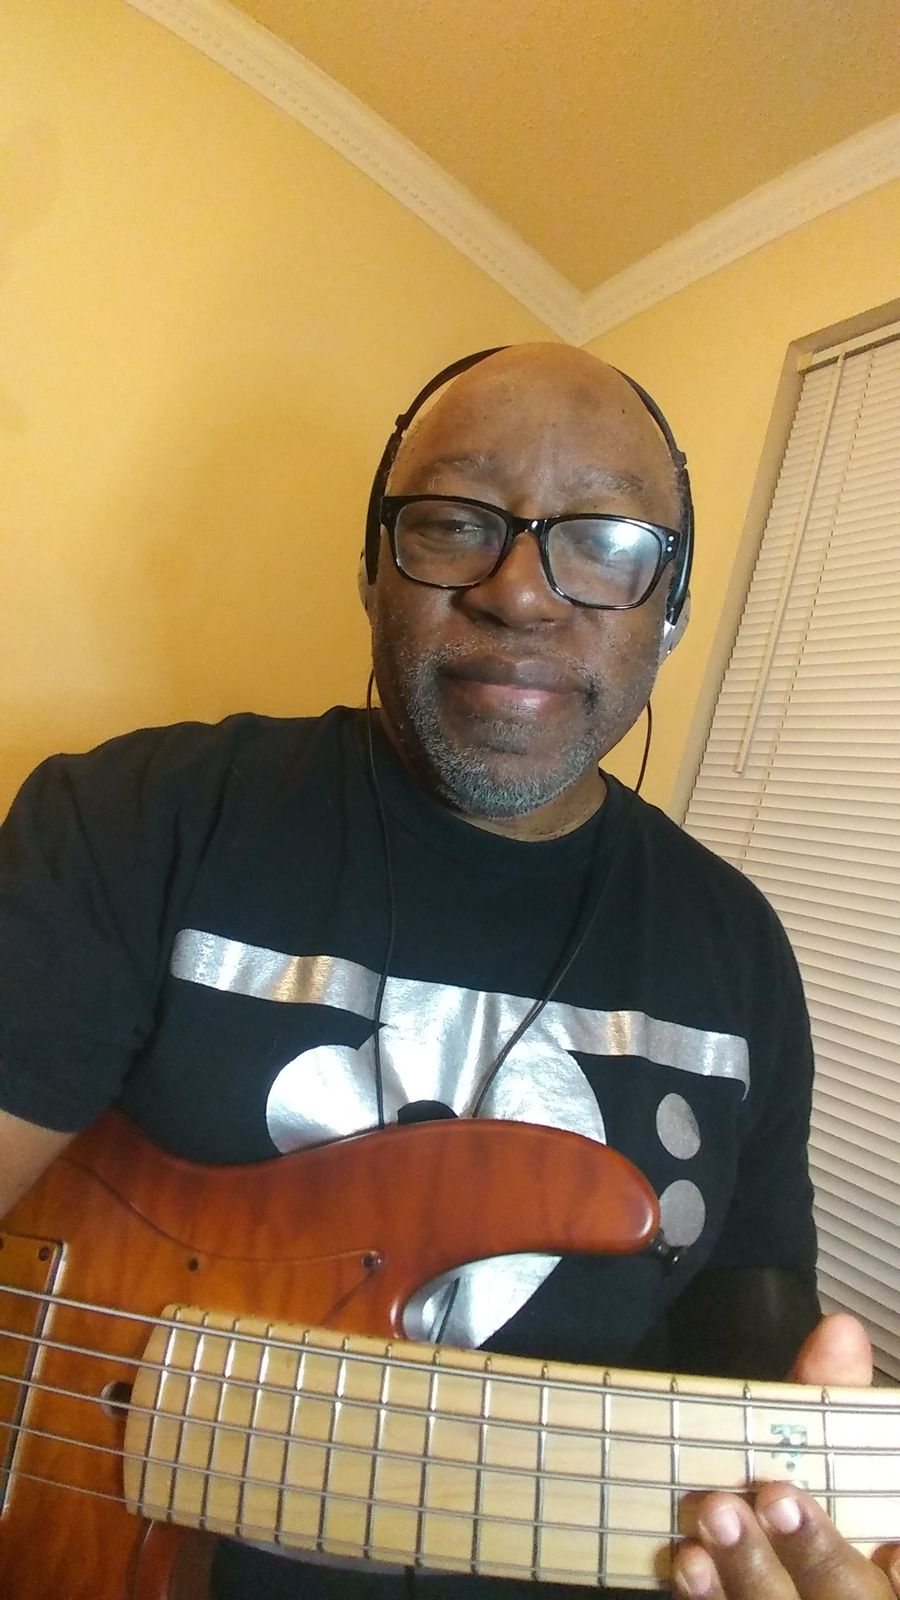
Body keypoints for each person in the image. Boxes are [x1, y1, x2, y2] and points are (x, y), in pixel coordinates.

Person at [0, 343, 896, 1600]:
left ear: (673, 608)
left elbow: (752, 1351)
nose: (519, 591)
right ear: (373, 566)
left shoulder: (738, 948)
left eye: (605, 540)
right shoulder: (138, 816)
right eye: (456, 520)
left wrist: (807, 1539)